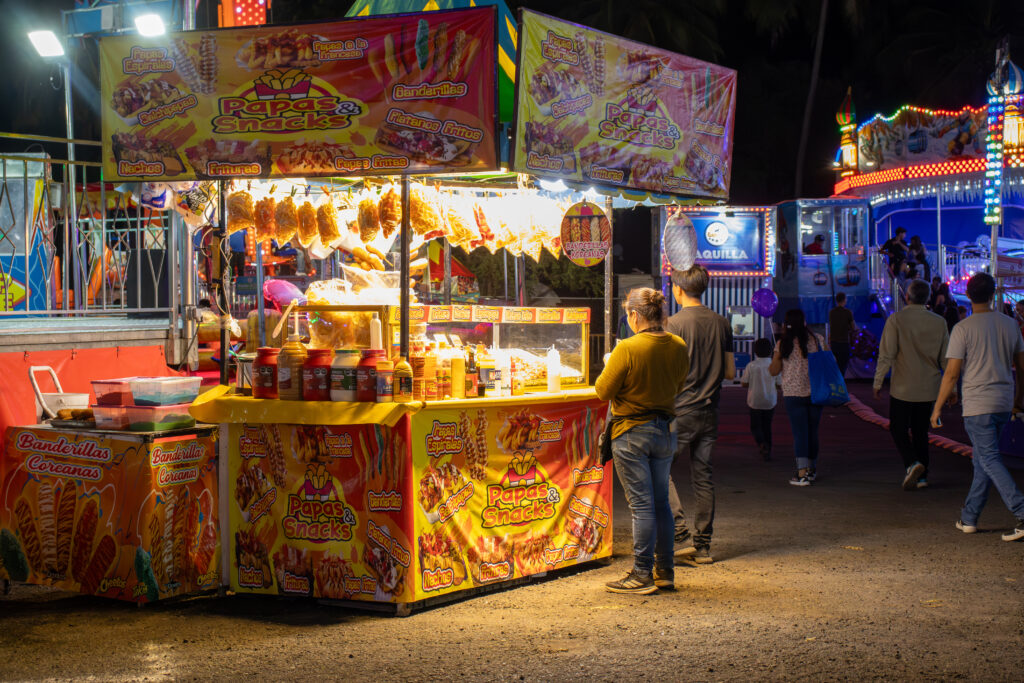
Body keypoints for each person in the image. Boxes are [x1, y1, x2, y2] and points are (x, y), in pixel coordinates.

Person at [595, 288, 691, 593]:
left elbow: (603, 390)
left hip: (632, 433)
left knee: (641, 506)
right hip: (665, 431)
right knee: (661, 503)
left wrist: (610, 362)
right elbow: (678, 384)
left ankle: (641, 574)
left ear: (635, 315)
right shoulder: (678, 345)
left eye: (628, 314)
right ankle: (665, 571)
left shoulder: (627, 349)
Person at [931, 272, 1024, 542]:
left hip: (977, 404)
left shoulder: (963, 329)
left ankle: (1021, 510)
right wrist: (1018, 401)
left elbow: (952, 373)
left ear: (968, 295)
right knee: (983, 459)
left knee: (989, 458)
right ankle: (969, 517)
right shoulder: (1011, 325)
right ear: (993, 294)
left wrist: (937, 408)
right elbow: (1022, 369)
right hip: (1003, 401)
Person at [665, 265, 735, 565]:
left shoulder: (673, 324)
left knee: (658, 470)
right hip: (710, 411)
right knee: (703, 478)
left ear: (679, 289)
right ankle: (703, 547)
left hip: (680, 411)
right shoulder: (722, 323)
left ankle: (680, 535)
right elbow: (730, 372)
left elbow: (667, 372)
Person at [873, 279, 950, 491]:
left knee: (898, 428)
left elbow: (886, 354)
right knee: (921, 432)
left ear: (907, 297)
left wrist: (878, 381)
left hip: (903, 387)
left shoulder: (896, 320)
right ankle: (923, 476)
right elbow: (946, 359)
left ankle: (911, 463)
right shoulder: (939, 322)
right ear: (928, 298)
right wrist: (951, 389)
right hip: (929, 387)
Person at [770, 309, 827, 486]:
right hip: (816, 392)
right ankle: (811, 469)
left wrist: (778, 356)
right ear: (804, 322)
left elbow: (774, 371)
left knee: (800, 434)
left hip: (793, 394)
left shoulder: (783, 344)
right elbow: (827, 361)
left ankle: (801, 473)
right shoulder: (818, 339)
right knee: (812, 432)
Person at [743, 338, 778, 461]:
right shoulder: (774, 365)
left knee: (755, 426)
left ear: (755, 351)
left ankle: (761, 443)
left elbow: (744, 383)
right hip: (770, 401)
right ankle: (768, 448)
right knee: (767, 426)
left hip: (755, 401)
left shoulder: (751, 365)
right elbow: (779, 384)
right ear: (770, 351)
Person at [828, 292, 856, 376]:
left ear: (836, 300)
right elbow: (853, 328)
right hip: (844, 342)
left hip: (834, 342)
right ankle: (841, 381)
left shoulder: (831, 312)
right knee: (843, 366)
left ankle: (837, 381)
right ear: (844, 300)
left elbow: (832, 326)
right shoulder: (848, 312)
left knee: (836, 365)